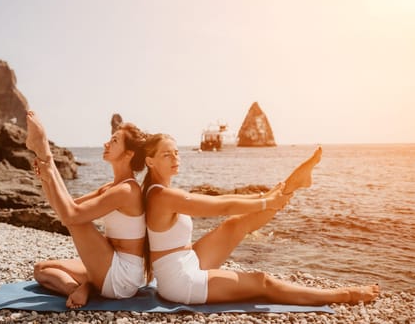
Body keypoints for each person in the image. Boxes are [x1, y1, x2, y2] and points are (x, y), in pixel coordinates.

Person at [142, 133, 380, 305]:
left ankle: (290, 186)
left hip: (188, 259)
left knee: (235, 224)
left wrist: (263, 196)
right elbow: (221, 205)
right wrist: (266, 202)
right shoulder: (161, 196)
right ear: (150, 161)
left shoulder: (161, 191)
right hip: (181, 282)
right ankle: (346, 294)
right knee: (262, 281)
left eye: (176, 152)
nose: (175, 158)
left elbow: (224, 203)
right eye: (166, 154)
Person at [25, 110, 148, 308]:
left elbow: (71, 215)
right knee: (41, 269)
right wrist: (46, 178)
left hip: (122, 277)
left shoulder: (127, 190)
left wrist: (47, 159)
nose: (106, 143)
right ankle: (82, 288)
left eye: (114, 141)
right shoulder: (111, 187)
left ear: (129, 154)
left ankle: (43, 148)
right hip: (108, 263)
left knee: (76, 220)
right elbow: (64, 206)